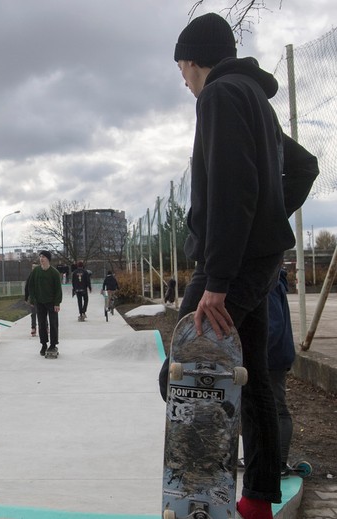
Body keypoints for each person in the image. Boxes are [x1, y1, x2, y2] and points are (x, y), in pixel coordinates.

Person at [159, 13, 317, 518]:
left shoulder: (220, 97)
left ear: (191, 59)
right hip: (259, 258)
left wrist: (219, 279)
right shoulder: (256, 101)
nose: (183, 79)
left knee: (181, 372)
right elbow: (305, 166)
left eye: (181, 67)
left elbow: (231, 190)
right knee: (252, 375)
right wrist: (271, 219)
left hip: (229, 262)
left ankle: (204, 491)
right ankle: (255, 500)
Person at [267, 267, 296, 476]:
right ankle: (267, 457)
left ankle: (278, 462)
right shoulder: (274, 279)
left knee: (278, 410)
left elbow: (272, 326)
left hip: (272, 358)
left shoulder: (269, 283)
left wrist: (255, 355)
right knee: (266, 410)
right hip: (275, 355)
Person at [26, 251, 62, 357]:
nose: (41, 259)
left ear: (48, 259)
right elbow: (30, 286)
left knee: (53, 324)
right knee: (41, 324)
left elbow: (58, 290)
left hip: (51, 302)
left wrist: (57, 303)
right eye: (40, 257)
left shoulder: (54, 273)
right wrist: (32, 299)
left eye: (44, 257)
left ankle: (53, 344)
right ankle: (44, 344)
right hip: (40, 302)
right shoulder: (36, 271)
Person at [23, 271, 37, 337]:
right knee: (33, 313)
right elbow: (27, 287)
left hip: (42, 298)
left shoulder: (42, 274)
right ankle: (33, 328)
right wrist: (26, 298)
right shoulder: (31, 276)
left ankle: (46, 326)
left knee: (43, 313)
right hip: (33, 298)